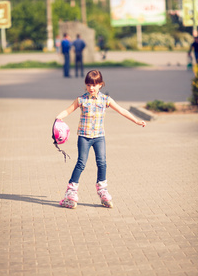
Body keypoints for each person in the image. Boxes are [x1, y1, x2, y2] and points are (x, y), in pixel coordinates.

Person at [56, 70, 146, 209]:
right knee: (81, 163)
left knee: (102, 162)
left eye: (94, 84)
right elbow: (68, 111)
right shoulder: (81, 100)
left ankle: (102, 190)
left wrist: (136, 121)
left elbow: (121, 110)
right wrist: (58, 118)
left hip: (99, 137)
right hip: (84, 137)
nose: (91, 88)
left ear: (100, 85)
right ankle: (71, 192)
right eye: (88, 85)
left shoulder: (106, 100)